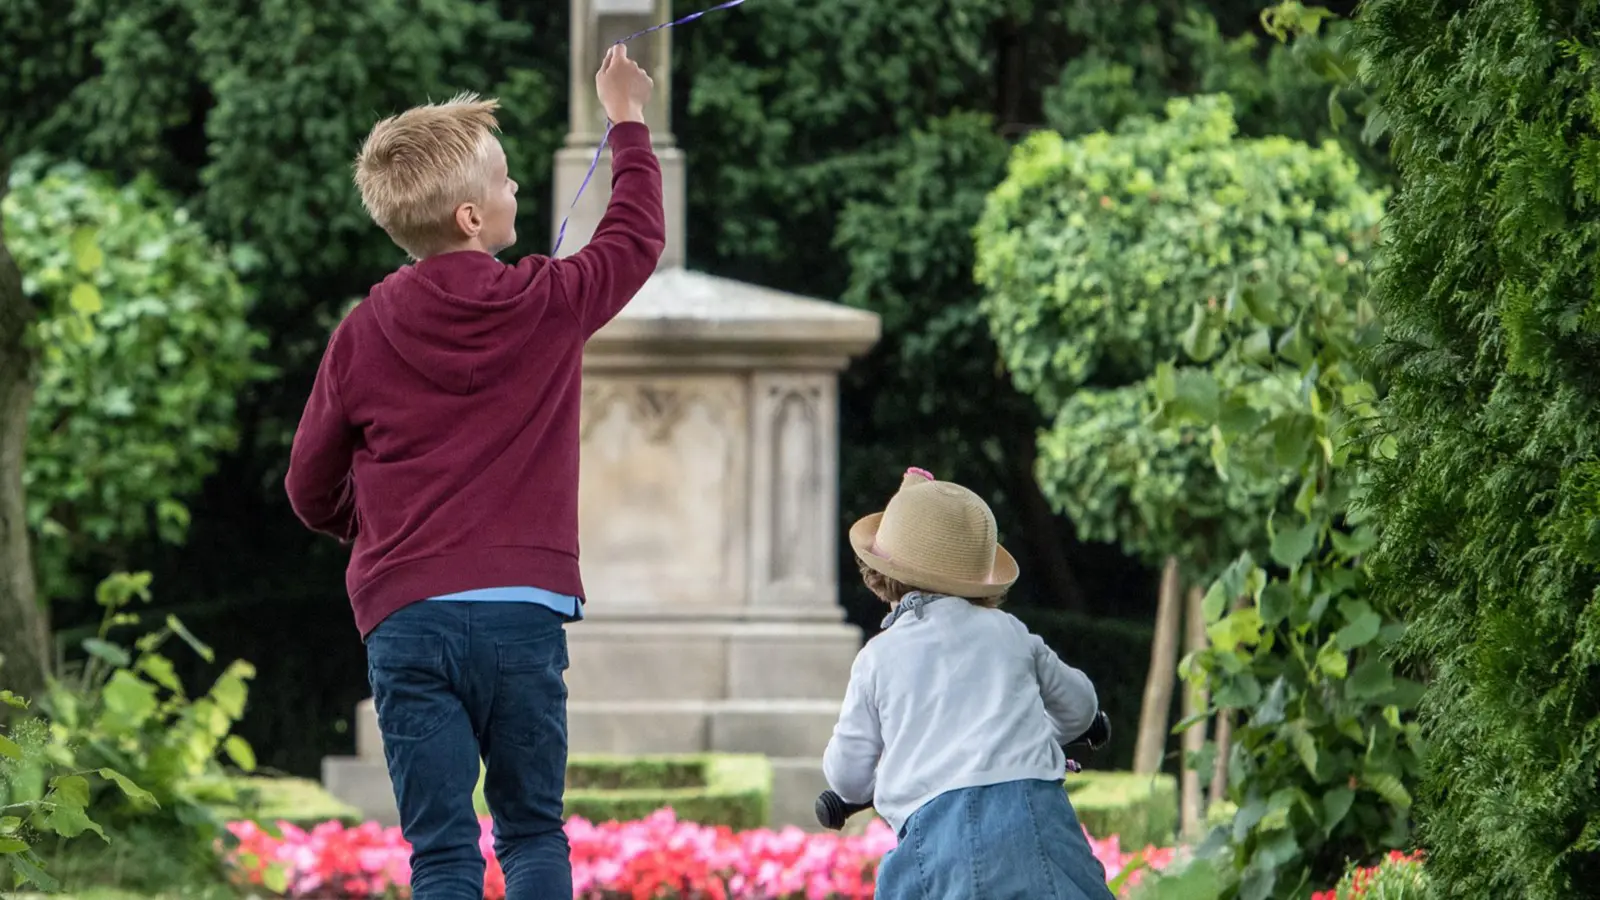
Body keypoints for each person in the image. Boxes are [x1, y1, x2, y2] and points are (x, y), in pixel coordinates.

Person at [283, 44, 663, 900]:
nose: (517, 190)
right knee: (531, 832)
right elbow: (635, 239)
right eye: (503, 180)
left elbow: (308, 485)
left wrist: (377, 523)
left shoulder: (360, 331)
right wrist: (628, 122)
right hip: (521, 620)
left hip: (406, 619)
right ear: (468, 217)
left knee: (443, 854)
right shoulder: (545, 302)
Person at [822, 467, 1117, 900]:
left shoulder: (877, 658)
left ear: (881, 572)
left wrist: (861, 788)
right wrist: (1038, 737)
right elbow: (1079, 708)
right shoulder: (1010, 632)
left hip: (936, 845)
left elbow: (847, 777)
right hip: (1037, 822)